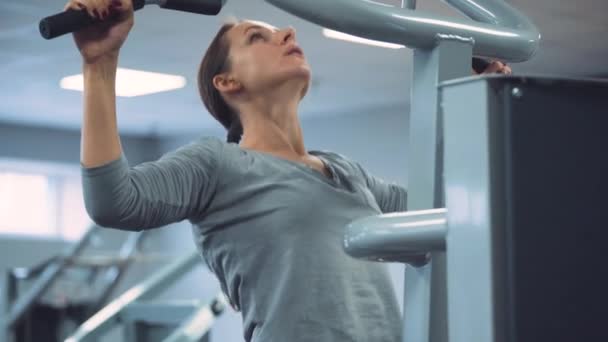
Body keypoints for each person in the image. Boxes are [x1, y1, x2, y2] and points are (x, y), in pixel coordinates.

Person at [66, 0, 511, 341]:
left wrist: (481, 101)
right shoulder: (218, 164)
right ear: (227, 83)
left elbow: (452, 211)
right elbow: (114, 202)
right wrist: (99, 64)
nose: (288, 32)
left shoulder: (347, 171)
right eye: (258, 37)